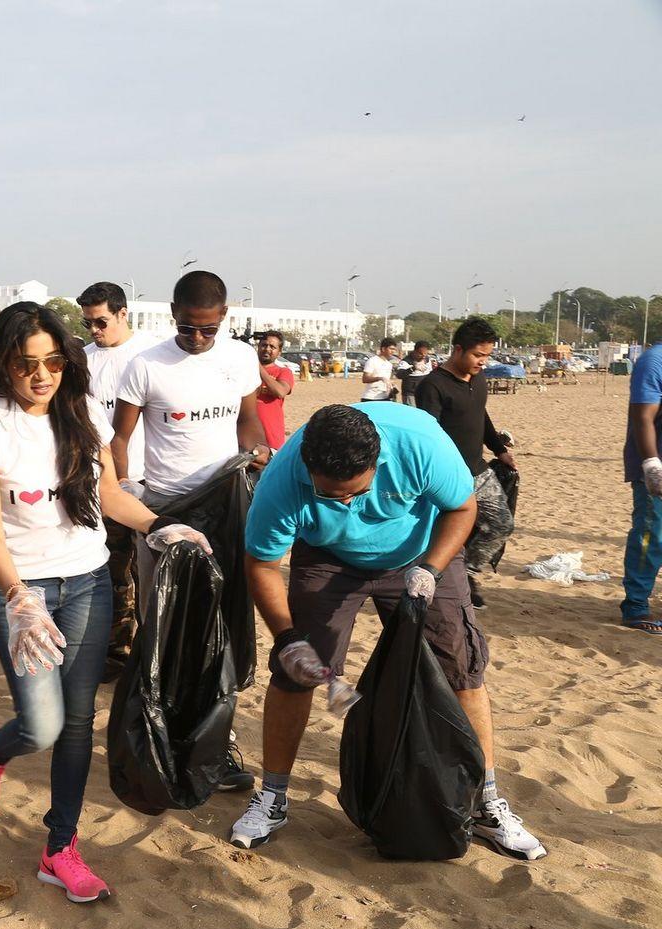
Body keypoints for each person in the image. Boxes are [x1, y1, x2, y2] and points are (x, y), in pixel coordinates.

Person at [0, 301, 208, 904]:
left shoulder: (87, 414)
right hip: (23, 590)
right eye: (25, 365)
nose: (41, 375)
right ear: (2, 365)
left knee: (76, 724)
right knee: (40, 726)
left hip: (89, 583)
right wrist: (18, 596)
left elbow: (110, 495)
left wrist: (158, 526)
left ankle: (59, 847)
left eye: (51, 362)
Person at [233, 403, 546, 860]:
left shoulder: (420, 445)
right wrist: (286, 638)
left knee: (460, 668)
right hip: (327, 558)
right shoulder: (282, 482)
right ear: (308, 467)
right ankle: (273, 797)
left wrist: (432, 571)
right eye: (329, 495)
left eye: (354, 493)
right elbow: (261, 564)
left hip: (421, 552)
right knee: (295, 673)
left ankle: (486, 801)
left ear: (378, 464)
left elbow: (462, 508)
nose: (345, 505)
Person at [110, 270, 267, 792]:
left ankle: (214, 746)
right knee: (170, 623)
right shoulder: (146, 365)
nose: (196, 338)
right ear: (172, 312)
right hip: (166, 509)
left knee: (222, 621)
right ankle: (164, 737)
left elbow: (248, 420)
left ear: (224, 318)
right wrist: (130, 490)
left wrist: (256, 454)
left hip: (226, 504)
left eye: (206, 329)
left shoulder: (241, 359)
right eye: (186, 327)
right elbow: (122, 437)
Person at [77, 281, 155, 680]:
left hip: (149, 482)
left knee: (151, 576)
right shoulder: (83, 361)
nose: (94, 330)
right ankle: (116, 651)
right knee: (112, 571)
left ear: (124, 313)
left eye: (101, 321)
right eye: (88, 323)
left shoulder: (152, 355)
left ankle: (152, 652)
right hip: (101, 487)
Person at [415, 319, 516, 610]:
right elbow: (428, 433)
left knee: (500, 524)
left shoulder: (479, 379)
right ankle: (448, 578)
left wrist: (499, 450)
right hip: (448, 473)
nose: (483, 362)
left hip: (478, 469)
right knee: (444, 530)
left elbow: (481, 416)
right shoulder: (432, 385)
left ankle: (466, 573)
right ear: (458, 349)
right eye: (477, 355)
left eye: (487, 356)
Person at [621, 336, 662, 634]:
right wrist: (652, 465)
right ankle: (636, 605)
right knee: (651, 535)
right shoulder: (654, 361)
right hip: (657, 465)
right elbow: (643, 416)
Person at [254, 330, 294, 453]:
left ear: (279, 352)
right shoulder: (244, 370)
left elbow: (280, 391)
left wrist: (258, 368)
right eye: (264, 345)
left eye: (272, 347)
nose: (267, 349)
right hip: (245, 436)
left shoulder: (283, 372)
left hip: (271, 439)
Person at [399, 340, 433, 407]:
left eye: (425, 353)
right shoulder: (406, 361)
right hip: (411, 395)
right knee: (411, 415)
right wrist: (413, 368)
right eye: (421, 354)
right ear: (415, 351)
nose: (423, 356)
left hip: (424, 393)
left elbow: (430, 374)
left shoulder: (427, 360)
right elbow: (399, 375)